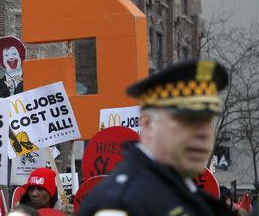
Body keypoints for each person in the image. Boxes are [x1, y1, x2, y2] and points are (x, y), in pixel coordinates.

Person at [78, 60, 236, 216]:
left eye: (208, 120)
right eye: (188, 120)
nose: (203, 133)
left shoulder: (191, 198)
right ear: (147, 124)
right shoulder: (119, 203)